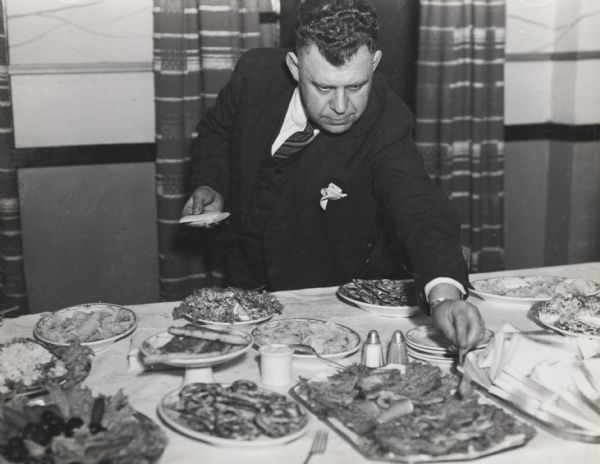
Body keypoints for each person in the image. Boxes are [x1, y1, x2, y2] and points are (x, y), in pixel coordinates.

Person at [182, 0, 484, 351]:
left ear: (375, 63)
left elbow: (418, 206)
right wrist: (210, 182)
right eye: (324, 88)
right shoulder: (255, 73)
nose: (341, 107)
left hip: (327, 295)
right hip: (242, 273)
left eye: (355, 86)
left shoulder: (387, 119)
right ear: (295, 67)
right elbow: (217, 130)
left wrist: (444, 296)